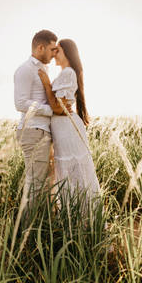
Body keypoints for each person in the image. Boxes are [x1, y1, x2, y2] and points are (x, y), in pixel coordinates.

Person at [38, 39, 101, 210]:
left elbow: (58, 107)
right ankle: (73, 216)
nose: (53, 53)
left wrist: (46, 84)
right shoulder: (64, 73)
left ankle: (83, 218)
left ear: (65, 51)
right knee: (68, 171)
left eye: (57, 50)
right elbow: (58, 105)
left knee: (73, 171)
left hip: (67, 127)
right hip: (63, 127)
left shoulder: (68, 73)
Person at [14, 30, 68, 211]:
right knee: (36, 185)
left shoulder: (44, 69)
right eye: (52, 49)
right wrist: (51, 110)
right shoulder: (25, 69)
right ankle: (27, 233)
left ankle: (42, 227)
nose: (55, 54)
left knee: (44, 184)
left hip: (41, 131)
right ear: (40, 47)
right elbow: (20, 103)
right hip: (33, 130)